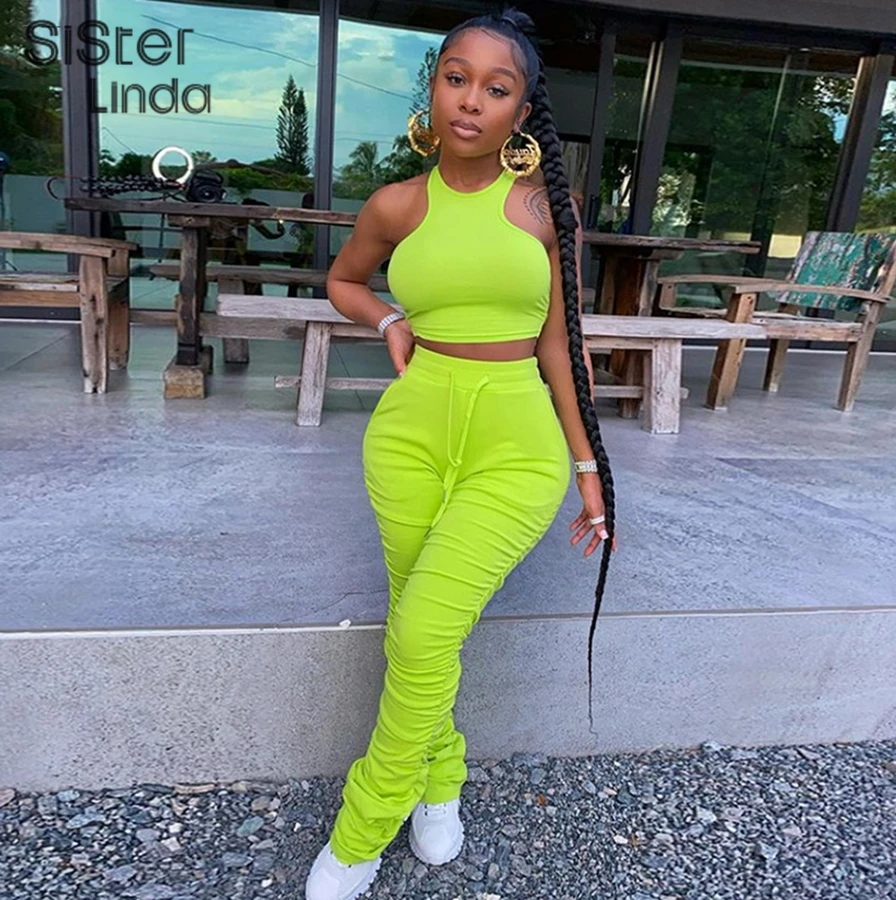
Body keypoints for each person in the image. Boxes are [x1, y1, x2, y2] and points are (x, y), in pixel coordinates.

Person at [307, 9, 617, 900]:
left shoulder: (545, 208)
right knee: (421, 630)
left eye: (496, 87)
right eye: (456, 77)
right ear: (434, 88)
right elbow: (342, 279)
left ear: (521, 110)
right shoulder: (397, 205)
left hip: (514, 446)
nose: (471, 100)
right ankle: (440, 780)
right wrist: (387, 319)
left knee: (422, 630)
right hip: (409, 436)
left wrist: (589, 470)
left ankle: (361, 830)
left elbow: (561, 345)